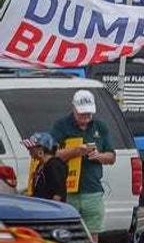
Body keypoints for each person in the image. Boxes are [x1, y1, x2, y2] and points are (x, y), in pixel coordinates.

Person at [50, 90, 116, 234]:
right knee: (66, 233)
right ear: (73, 108)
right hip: (67, 190)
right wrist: (75, 151)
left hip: (93, 191)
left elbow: (111, 157)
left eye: (89, 114)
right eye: (82, 114)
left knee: (92, 233)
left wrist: (98, 156)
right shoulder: (61, 126)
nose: (86, 118)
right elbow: (51, 155)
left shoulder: (100, 127)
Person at [23, 133, 67, 202]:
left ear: (41, 149)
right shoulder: (41, 165)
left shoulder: (54, 165)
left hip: (50, 209)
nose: (29, 151)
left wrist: (51, 209)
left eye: (32, 148)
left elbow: (58, 192)